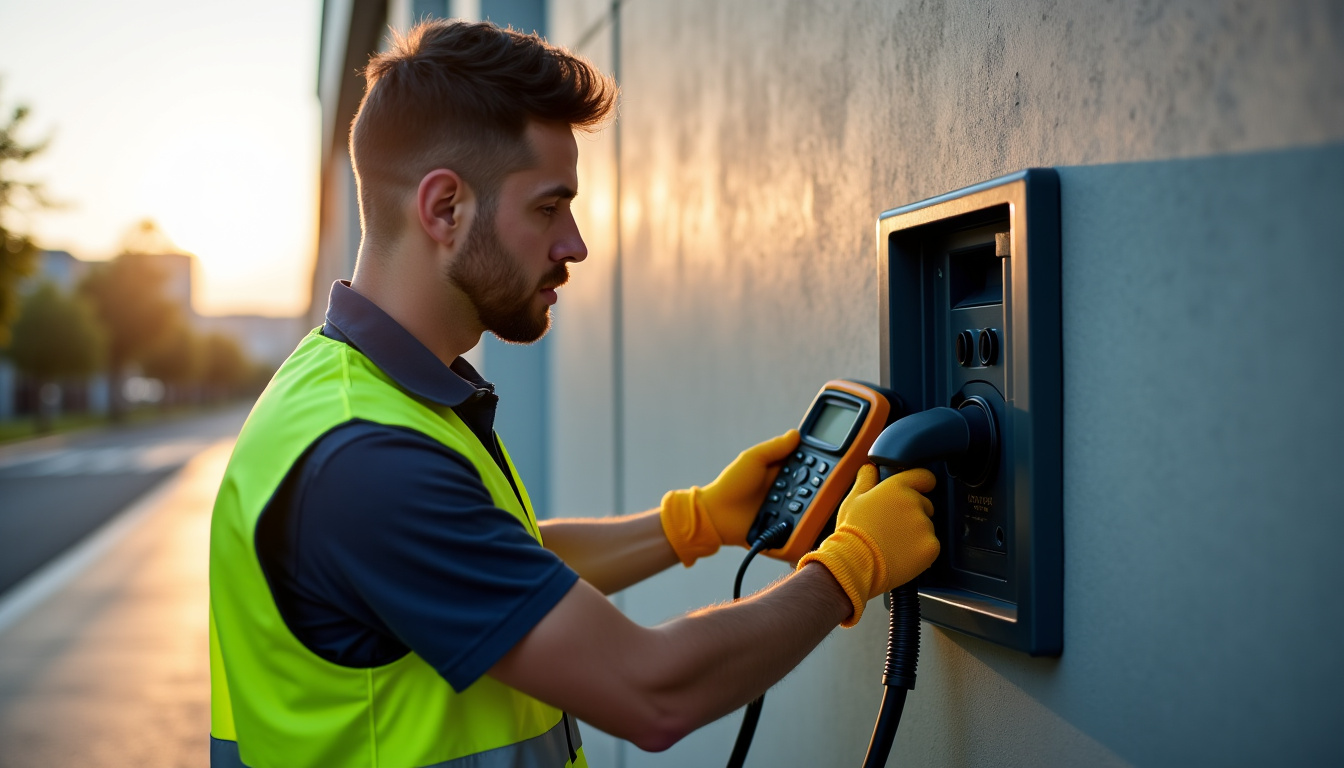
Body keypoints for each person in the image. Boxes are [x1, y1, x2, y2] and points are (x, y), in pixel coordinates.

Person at [208, 19, 940, 768]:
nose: (576, 244)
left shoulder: (354, 389)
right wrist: (851, 567)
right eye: (548, 208)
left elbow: (500, 568)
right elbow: (654, 694)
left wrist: (694, 523)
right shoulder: (364, 460)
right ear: (444, 209)